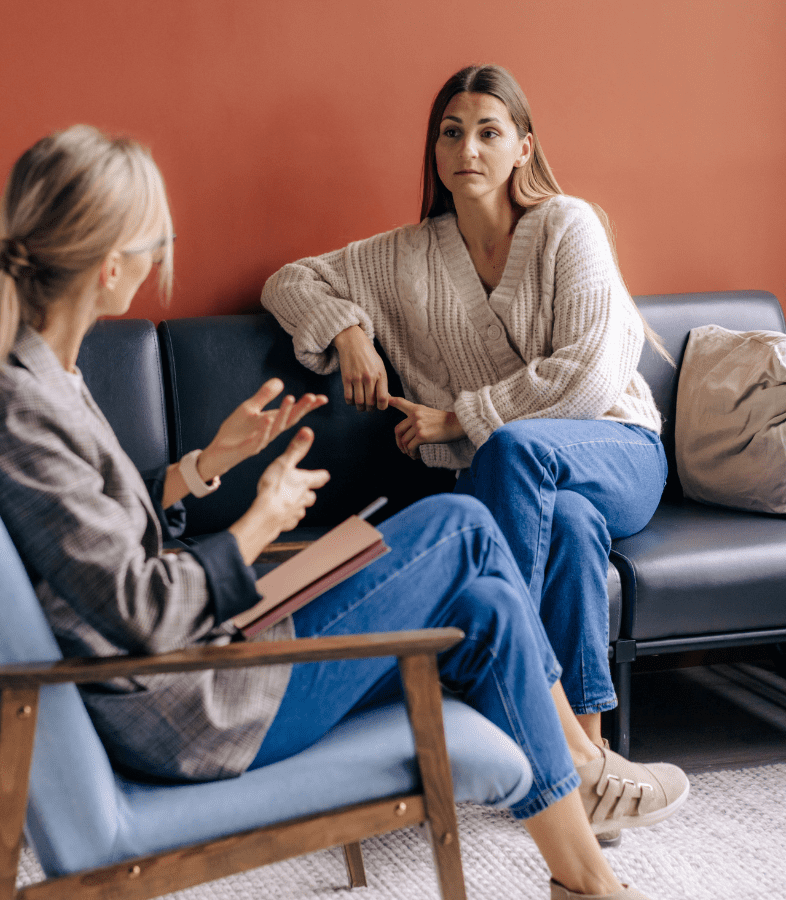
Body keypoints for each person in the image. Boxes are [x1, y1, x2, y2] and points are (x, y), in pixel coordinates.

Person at [0, 123, 679, 900]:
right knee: (463, 529)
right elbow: (138, 609)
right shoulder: (21, 407)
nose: (163, 256)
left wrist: (206, 465)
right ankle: (586, 768)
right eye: (159, 239)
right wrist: (262, 519)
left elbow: (92, 525)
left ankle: (584, 880)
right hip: (195, 703)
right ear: (110, 261)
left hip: (200, 663)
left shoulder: (34, 374)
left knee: (488, 601)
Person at [261, 65, 681, 840]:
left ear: (523, 147)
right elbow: (290, 281)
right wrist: (351, 331)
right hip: (534, 479)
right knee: (575, 527)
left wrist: (459, 418)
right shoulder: (407, 255)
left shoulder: (568, 225)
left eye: (489, 131)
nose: (468, 147)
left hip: (616, 446)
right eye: (451, 132)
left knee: (522, 455)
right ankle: (586, 755)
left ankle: (506, 695)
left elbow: (590, 372)